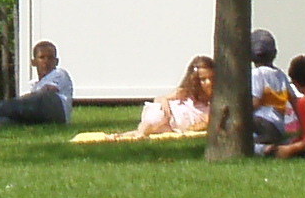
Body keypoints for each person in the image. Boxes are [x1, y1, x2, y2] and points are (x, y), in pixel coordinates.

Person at [74, 56, 213, 142]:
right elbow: (161, 99)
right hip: (171, 117)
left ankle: (122, 136)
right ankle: (139, 134)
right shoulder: (184, 93)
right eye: (203, 80)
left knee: (156, 131)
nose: (208, 83)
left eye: (211, 79)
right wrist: (165, 103)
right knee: (155, 119)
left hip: (177, 126)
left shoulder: (214, 101)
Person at [250, 28, 297, 147]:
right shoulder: (280, 74)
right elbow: (294, 101)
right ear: (274, 53)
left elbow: (255, 102)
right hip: (278, 127)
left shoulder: (256, 74)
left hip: (262, 123)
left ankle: (262, 145)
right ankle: (270, 142)